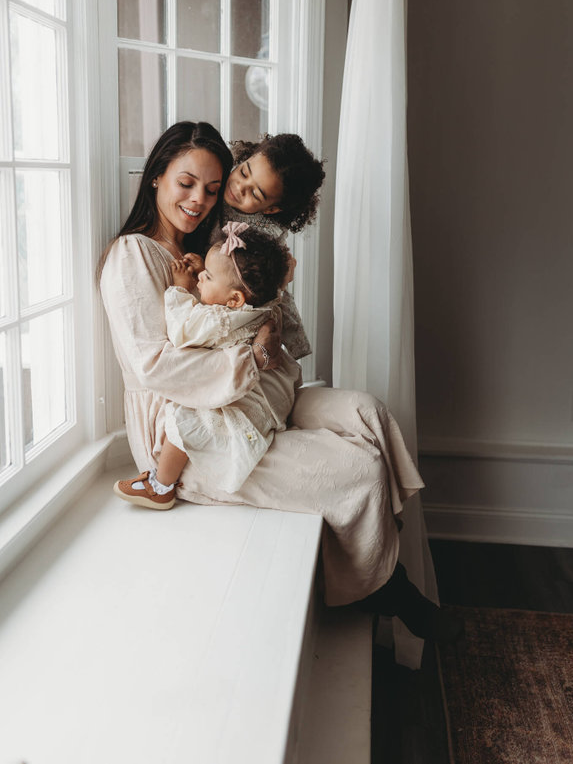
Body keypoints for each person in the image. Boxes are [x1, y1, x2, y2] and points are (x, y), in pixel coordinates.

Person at [99, 120, 461, 644]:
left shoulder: (215, 244)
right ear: (156, 175)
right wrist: (251, 358)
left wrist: (270, 308)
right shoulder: (132, 255)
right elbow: (154, 366)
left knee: (368, 413)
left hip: (254, 394)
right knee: (360, 470)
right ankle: (384, 589)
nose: (199, 200)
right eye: (186, 183)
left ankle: (377, 548)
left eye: (212, 188)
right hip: (188, 427)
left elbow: (263, 323)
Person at [113, 222, 301, 509]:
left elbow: (182, 329)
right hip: (275, 396)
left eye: (207, 276)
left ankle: (161, 485)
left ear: (234, 299)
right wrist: (212, 271)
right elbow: (236, 283)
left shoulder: (218, 320)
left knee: (183, 422)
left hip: (245, 401)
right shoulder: (264, 302)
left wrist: (180, 288)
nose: (200, 277)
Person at [219, 134, 325, 360]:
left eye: (255, 193)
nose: (240, 187)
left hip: (245, 300)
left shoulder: (266, 232)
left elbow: (276, 292)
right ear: (245, 159)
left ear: (271, 209)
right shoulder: (213, 185)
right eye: (243, 172)